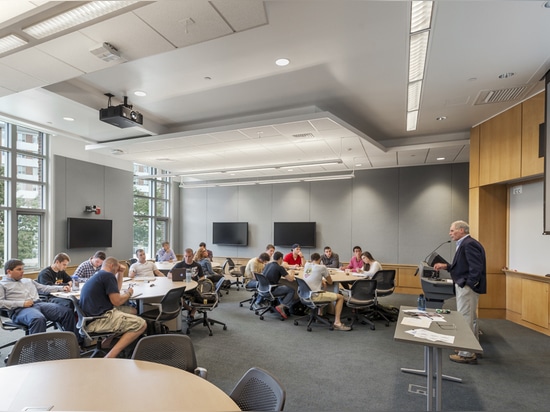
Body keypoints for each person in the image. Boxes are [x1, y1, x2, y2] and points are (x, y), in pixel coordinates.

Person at [433, 220, 486, 364]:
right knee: (471, 319)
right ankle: (472, 347)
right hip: (465, 285)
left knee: (465, 319)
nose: (450, 234)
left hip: (467, 287)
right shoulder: (464, 243)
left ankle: (466, 353)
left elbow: (476, 268)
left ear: (461, 230)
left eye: (452, 230)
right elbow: (463, 266)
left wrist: (468, 284)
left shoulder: (469, 244)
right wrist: (447, 266)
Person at [79, 257, 147, 358]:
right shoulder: (108, 276)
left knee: (132, 311)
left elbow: (116, 290)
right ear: (111, 266)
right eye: (116, 269)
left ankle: (106, 342)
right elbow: (117, 301)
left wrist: (120, 273)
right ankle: (110, 356)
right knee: (141, 324)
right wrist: (128, 293)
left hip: (91, 317)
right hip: (99, 320)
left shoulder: (99, 275)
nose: (116, 271)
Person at [0, 259, 79, 339]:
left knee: (66, 312)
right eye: (19, 269)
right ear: (9, 271)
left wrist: (61, 288)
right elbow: (1, 302)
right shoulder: (2, 284)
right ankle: (39, 350)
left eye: (23, 269)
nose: (22, 271)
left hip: (39, 304)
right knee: (38, 318)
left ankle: (76, 343)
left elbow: (44, 288)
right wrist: (22, 303)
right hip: (20, 310)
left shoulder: (27, 281)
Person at [303, 253, 351, 331]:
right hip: (315, 296)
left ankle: (319, 314)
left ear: (311, 259)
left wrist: (320, 280)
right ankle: (337, 323)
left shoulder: (307, 265)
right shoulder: (322, 267)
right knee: (340, 297)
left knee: (323, 291)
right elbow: (330, 282)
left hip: (304, 295)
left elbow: (309, 276)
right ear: (319, 260)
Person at [258, 251, 298, 319]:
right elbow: (291, 279)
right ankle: (282, 306)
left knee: (282, 286)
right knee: (291, 290)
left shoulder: (267, 265)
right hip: (271, 290)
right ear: (280, 259)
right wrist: (293, 273)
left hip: (262, 289)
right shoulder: (279, 267)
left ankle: (281, 306)